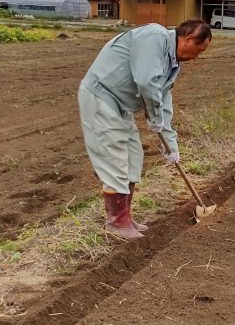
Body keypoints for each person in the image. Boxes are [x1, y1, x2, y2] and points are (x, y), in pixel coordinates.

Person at [78, 20, 212, 240]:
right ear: (188, 39)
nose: (198, 56)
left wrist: (170, 145)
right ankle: (117, 223)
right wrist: (155, 116)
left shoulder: (173, 65)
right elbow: (146, 81)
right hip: (101, 97)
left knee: (133, 156)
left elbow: (163, 100)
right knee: (116, 159)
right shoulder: (154, 37)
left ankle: (125, 217)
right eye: (199, 49)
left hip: (120, 107)